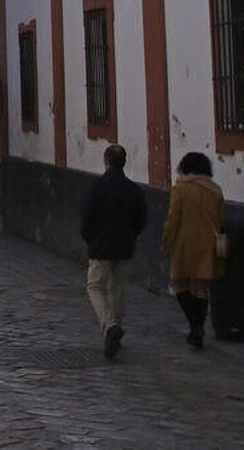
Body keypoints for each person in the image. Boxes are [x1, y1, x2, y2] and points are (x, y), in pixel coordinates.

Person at [80, 144, 146, 360]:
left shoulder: (97, 187)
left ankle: (110, 326)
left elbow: (87, 218)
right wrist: (131, 236)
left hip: (101, 246)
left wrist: (90, 239)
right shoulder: (133, 189)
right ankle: (115, 330)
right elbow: (141, 219)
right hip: (125, 245)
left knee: (95, 287)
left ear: (106, 161)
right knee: (117, 288)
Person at [161, 151, 224, 350]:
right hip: (208, 244)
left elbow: (173, 219)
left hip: (184, 243)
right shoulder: (215, 190)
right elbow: (220, 219)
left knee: (180, 285)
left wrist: (167, 242)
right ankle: (199, 326)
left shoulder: (181, 189)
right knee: (201, 288)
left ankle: (194, 325)